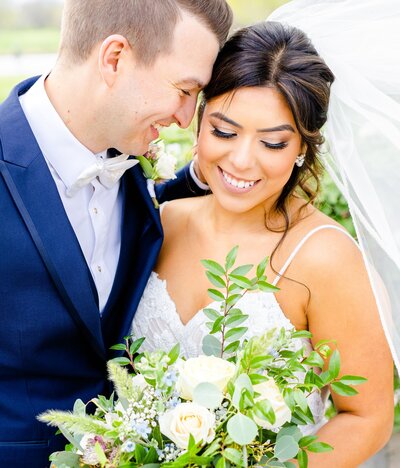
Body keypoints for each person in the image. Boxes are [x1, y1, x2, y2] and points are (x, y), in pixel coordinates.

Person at [131, 20, 394, 467]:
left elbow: (367, 417)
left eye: (272, 142)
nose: (241, 160)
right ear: (198, 123)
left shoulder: (326, 258)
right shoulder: (160, 225)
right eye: (224, 132)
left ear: (301, 150)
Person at [0, 0, 232, 465]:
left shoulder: (126, 154)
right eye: (185, 90)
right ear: (115, 59)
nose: (187, 119)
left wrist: (203, 179)